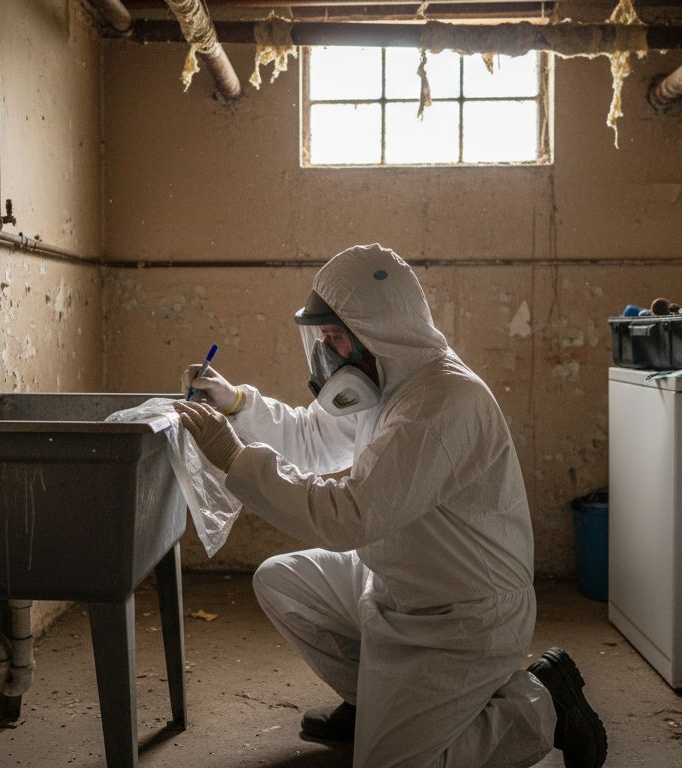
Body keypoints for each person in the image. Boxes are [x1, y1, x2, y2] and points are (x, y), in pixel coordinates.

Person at [173, 244, 607, 768]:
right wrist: (237, 403)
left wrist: (236, 460)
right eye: (325, 338)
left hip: (461, 614)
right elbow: (313, 438)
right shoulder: (387, 381)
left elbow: (349, 516)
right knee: (281, 581)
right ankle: (372, 704)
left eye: (335, 338)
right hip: (398, 580)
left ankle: (543, 705)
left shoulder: (443, 401)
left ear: (374, 330)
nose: (329, 354)